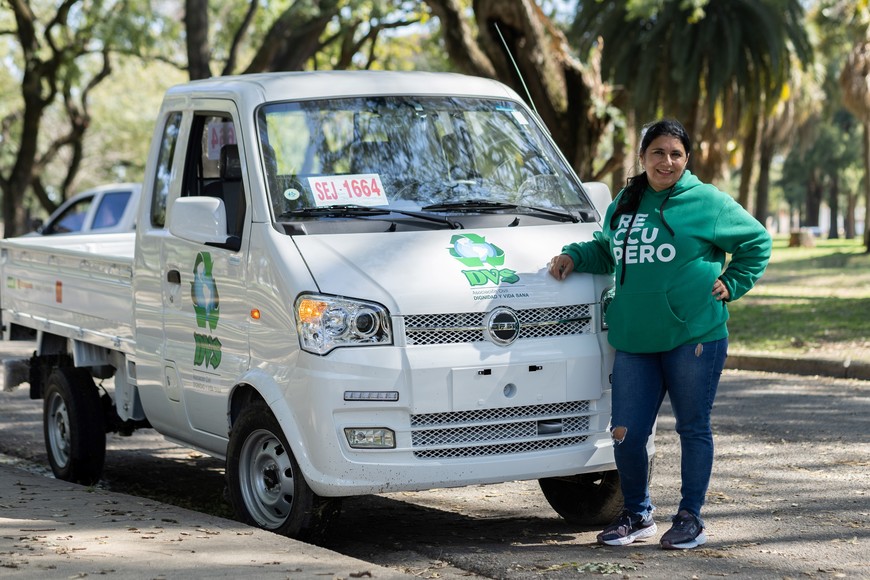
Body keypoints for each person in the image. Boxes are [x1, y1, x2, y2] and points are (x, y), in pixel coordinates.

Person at [548, 119, 771, 550]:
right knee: (625, 431)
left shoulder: (707, 202)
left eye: (675, 154)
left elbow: (757, 240)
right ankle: (636, 515)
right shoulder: (625, 202)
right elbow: (607, 249)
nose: (666, 161)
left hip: (695, 336)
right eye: (658, 152)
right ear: (643, 156)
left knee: (692, 427)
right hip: (634, 339)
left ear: (686, 160)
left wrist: (735, 281)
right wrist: (574, 256)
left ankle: (690, 518)